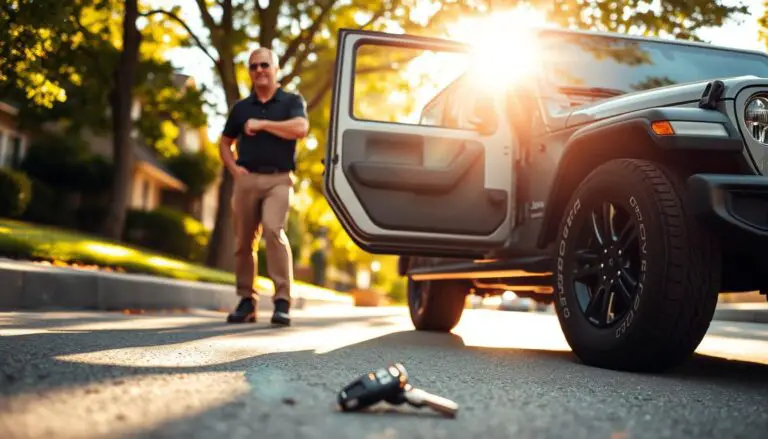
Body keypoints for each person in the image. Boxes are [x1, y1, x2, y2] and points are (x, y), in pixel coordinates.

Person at [219, 47, 309, 326]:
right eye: (253, 66)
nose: (259, 70)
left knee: (273, 230)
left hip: (279, 180)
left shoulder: (291, 101)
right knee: (243, 243)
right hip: (247, 180)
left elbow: (301, 129)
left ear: (275, 69)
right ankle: (247, 301)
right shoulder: (241, 108)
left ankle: (282, 301)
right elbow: (224, 142)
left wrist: (263, 124)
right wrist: (234, 170)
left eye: (264, 65)